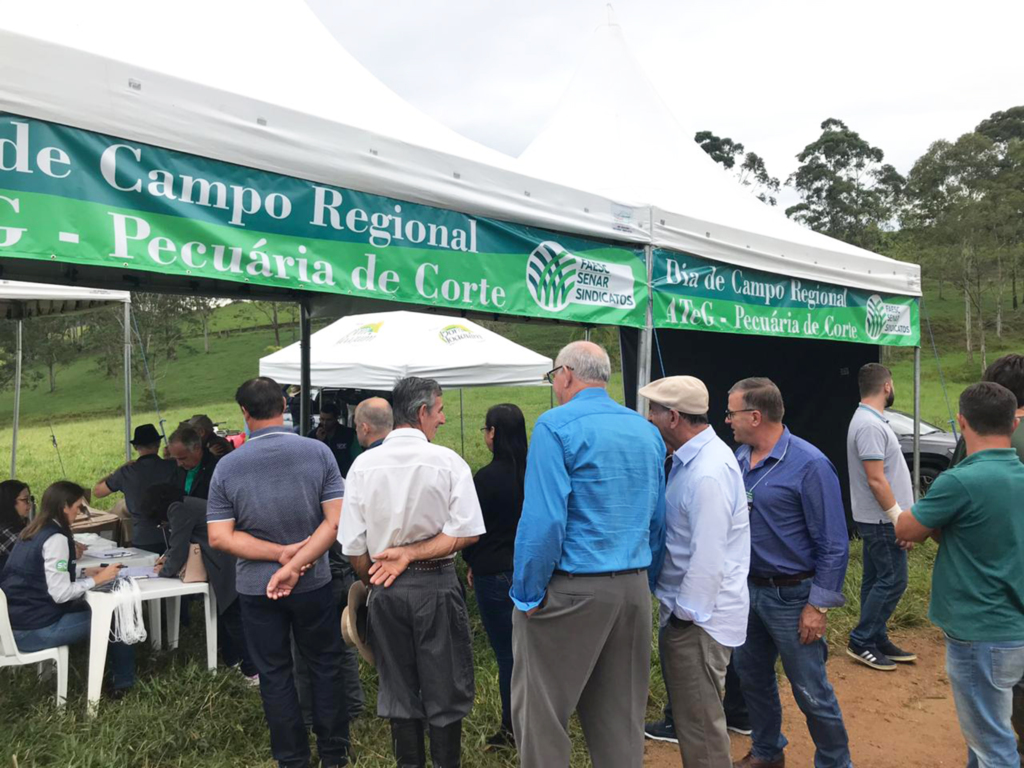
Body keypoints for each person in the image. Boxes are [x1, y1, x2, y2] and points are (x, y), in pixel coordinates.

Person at [510, 341, 666, 768]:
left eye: (553, 379)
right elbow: (658, 519)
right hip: (632, 588)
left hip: (571, 590)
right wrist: (643, 583)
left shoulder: (554, 426)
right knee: (621, 720)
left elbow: (544, 523)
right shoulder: (646, 430)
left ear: (565, 375)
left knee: (542, 719)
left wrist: (527, 592)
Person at [339, 376, 485, 768]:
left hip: (384, 588)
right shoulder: (448, 462)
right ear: (422, 412)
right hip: (436, 584)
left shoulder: (362, 465)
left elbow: (353, 548)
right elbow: (467, 531)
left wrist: (380, 573)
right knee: (445, 693)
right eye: (438, 411)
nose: (442, 419)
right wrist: (415, 553)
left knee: (399, 694)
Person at [207, 377, 352, 768]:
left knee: (274, 673)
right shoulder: (318, 452)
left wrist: (278, 557)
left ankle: (291, 758)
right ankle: (334, 753)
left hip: (257, 588)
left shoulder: (227, 467)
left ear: (244, 412)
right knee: (324, 664)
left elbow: (220, 537)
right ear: (284, 403)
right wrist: (297, 560)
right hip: (314, 582)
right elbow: (335, 523)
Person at [891, 382, 1024, 768]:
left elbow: (906, 529)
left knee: (993, 745)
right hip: (1015, 627)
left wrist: (939, 523)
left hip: (979, 631)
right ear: (1012, 425)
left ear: (962, 423)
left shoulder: (958, 481)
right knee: (983, 738)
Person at [727, 377, 853, 768]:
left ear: (755, 415)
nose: (726, 419)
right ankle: (767, 752)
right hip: (746, 591)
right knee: (753, 681)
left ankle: (835, 762)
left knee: (811, 690)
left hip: (792, 596)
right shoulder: (737, 458)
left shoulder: (810, 464)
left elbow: (834, 541)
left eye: (731, 412)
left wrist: (818, 605)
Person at [640, 376, 750, 768]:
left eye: (652, 411)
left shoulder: (707, 473)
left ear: (672, 417)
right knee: (694, 722)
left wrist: (685, 617)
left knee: (700, 729)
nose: (647, 418)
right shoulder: (695, 460)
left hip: (698, 623)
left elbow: (708, 557)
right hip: (694, 618)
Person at [0, 481, 135, 696]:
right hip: (36, 629)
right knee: (115, 616)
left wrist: (81, 574)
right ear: (64, 506)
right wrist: (98, 579)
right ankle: (123, 684)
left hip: (13, 624)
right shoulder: (56, 538)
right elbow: (60, 594)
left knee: (96, 607)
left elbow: (40, 575)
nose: (80, 512)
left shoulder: (31, 530)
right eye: (79, 507)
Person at [139, 483, 257, 683]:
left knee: (235, 620)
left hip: (229, 565)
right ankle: (234, 662)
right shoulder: (186, 504)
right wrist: (166, 558)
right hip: (229, 563)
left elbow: (178, 548)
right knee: (228, 616)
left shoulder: (177, 509)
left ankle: (252, 671)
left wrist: (163, 571)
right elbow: (181, 542)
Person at [462, 403, 528, 750]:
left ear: (493, 434)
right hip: (534, 571)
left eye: (486, 430)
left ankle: (511, 729)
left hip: (493, 572)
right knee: (535, 653)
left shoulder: (485, 479)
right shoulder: (537, 473)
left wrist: (471, 561)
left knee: (508, 655)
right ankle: (538, 723)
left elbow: (471, 530)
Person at [845, 363, 916, 671]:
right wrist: (899, 518)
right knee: (894, 580)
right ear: (887, 386)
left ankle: (876, 637)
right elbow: (876, 479)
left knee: (875, 580)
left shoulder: (870, 421)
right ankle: (862, 640)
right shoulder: (870, 426)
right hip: (882, 521)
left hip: (877, 519)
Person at [94, 423, 180, 553]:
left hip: (142, 537)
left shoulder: (126, 472)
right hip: (174, 532)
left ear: (135, 447)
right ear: (158, 443)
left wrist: (116, 471)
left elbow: (98, 492)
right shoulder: (173, 466)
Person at [308, 401, 360, 477]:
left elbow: (357, 457)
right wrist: (319, 443)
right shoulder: (312, 435)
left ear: (336, 419)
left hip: (343, 476)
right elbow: (309, 459)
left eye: (329, 420)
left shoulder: (348, 434)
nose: (325, 423)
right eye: (322, 419)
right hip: (321, 477)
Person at [168, 425, 220, 500]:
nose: (179, 464)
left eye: (183, 458)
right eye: (175, 459)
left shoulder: (216, 469)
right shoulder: (176, 470)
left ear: (197, 448)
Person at [0, 480, 32, 570]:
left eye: (30, 499)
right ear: (9, 501)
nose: (29, 504)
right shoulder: (5, 532)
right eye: (25, 500)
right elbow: (34, 555)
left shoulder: (21, 522)